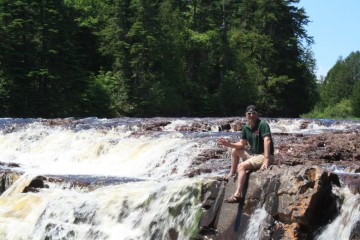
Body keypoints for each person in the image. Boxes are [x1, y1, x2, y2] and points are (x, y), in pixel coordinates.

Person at [218, 105, 275, 203]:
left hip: (264, 155)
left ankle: (238, 194)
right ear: (246, 115)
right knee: (234, 151)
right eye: (249, 113)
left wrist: (266, 160)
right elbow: (242, 143)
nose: (251, 115)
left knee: (241, 166)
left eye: (253, 113)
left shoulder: (263, 124)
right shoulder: (246, 128)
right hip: (254, 155)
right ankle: (232, 173)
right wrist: (229, 144)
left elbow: (267, 140)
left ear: (257, 114)